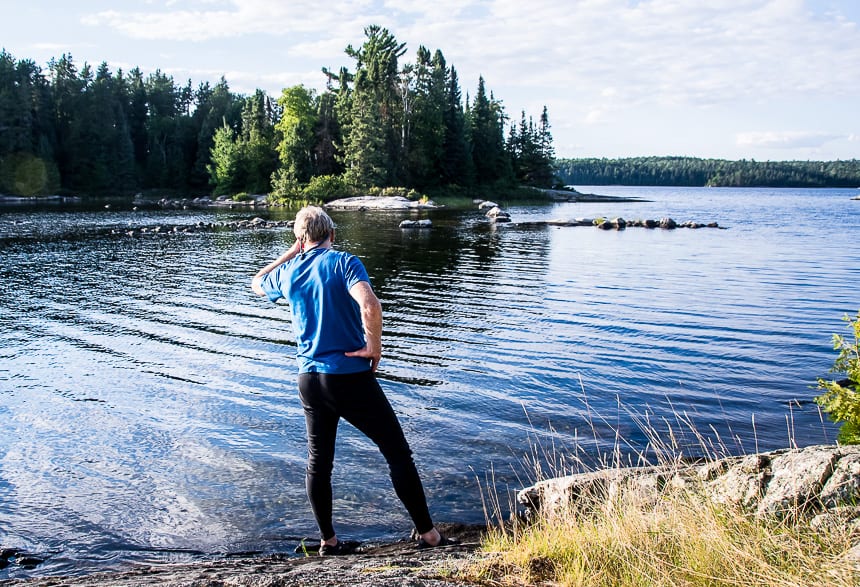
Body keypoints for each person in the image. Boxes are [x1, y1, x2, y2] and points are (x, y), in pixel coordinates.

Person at [251, 205, 453, 556]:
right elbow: (370, 305)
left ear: (301, 238)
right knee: (397, 453)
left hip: (309, 380)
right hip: (347, 377)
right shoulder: (344, 262)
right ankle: (429, 535)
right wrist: (374, 346)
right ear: (332, 235)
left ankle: (328, 541)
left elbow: (256, 281)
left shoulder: (289, 273)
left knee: (319, 462)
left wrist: (290, 252)